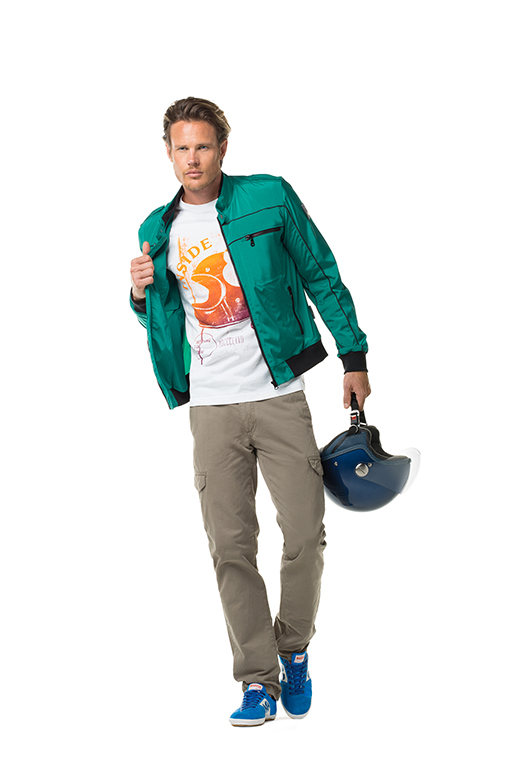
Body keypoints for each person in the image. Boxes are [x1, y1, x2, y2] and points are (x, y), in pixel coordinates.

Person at [130, 97, 370, 727]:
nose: (192, 159)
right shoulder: (156, 229)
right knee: (231, 548)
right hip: (211, 407)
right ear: (168, 153)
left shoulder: (269, 196)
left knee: (306, 534)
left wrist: (353, 355)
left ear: (223, 148)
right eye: (181, 148)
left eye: (203, 146)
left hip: (278, 394)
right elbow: (162, 318)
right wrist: (138, 294)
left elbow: (320, 270)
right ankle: (257, 680)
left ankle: (294, 649)